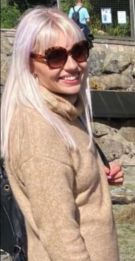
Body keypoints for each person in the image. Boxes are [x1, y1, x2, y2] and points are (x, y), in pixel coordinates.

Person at [1, 6, 123, 261]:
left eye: (78, 51)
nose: (72, 65)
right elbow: (61, 235)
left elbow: (60, 188)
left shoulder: (62, 111)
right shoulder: (40, 129)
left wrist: (93, 179)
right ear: (30, 64)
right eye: (55, 56)